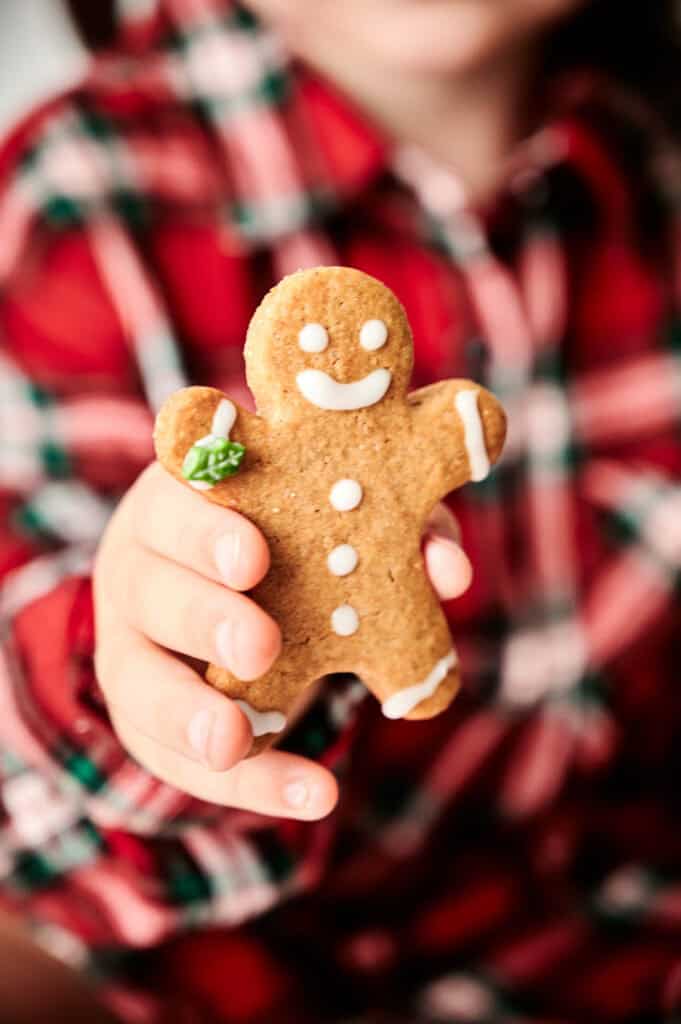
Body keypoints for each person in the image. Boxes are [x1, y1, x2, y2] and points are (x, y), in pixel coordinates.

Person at [0, 0, 680, 1020]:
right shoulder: (75, 200)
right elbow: (38, 828)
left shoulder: (656, 175)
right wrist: (147, 673)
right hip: (227, 971)